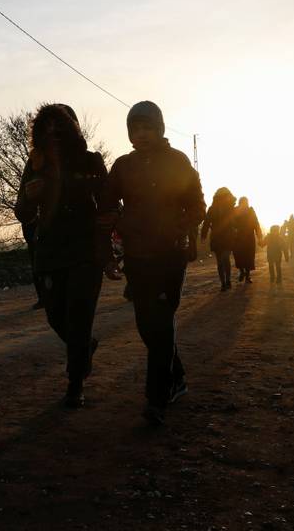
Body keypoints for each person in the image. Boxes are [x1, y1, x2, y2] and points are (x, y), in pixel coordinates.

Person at [99, 100, 205, 426]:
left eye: (147, 127)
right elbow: (106, 203)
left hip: (170, 255)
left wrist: (181, 228)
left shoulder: (177, 161)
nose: (141, 134)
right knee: (148, 325)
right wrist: (115, 226)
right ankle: (177, 377)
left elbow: (198, 205)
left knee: (160, 321)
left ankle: (156, 398)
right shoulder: (122, 166)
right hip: (137, 256)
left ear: (159, 129)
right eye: (135, 129)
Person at [14, 103, 106, 408]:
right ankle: (84, 348)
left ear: (73, 129)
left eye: (60, 127)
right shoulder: (35, 164)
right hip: (50, 252)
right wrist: (30, 196)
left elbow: (107, 204)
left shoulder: (91, 161)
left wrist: (111, 249)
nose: (53, 133)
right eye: (46, 127)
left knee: (78, 319)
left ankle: (75, 383)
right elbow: (21, 211)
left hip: (85, 251)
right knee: (56, 317)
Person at [201, 187, 237, 291]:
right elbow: (207, 222)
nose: (223, 198)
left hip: (228, 237)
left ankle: (228, 280)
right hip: (217, 238)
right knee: (220, 261)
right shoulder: (212, 209)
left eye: (225, 196)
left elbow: (236, 221)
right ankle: (223, 283)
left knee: (225, 258)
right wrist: (203, 235)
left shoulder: (231, 208)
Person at [232, 197, 262, 283]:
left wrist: (259, 236)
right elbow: (231, 222)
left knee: (247, 257)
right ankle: (242, 272)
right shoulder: (235, 210)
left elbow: (256, 223)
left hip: (247, 238)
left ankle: (247, 276)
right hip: (239, 238)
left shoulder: (250, 211)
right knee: (239, 256)